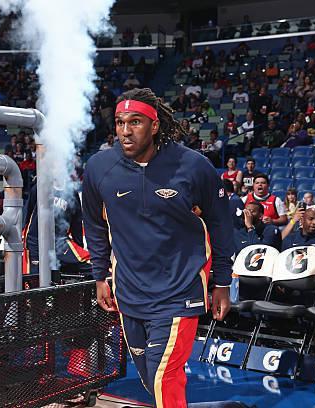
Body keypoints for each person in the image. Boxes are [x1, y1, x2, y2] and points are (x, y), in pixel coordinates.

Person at [82, 88, 233, 406]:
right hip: (129, 292)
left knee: (165, 376)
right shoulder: (99, 167)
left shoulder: (194, 166)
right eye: (120, 122)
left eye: (135, 122)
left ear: (154, 125)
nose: (125, 130)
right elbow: (94, 225)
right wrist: (100, 276)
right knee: (152, 380)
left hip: (180, 290)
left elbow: (221, 225)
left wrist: (222, 282)